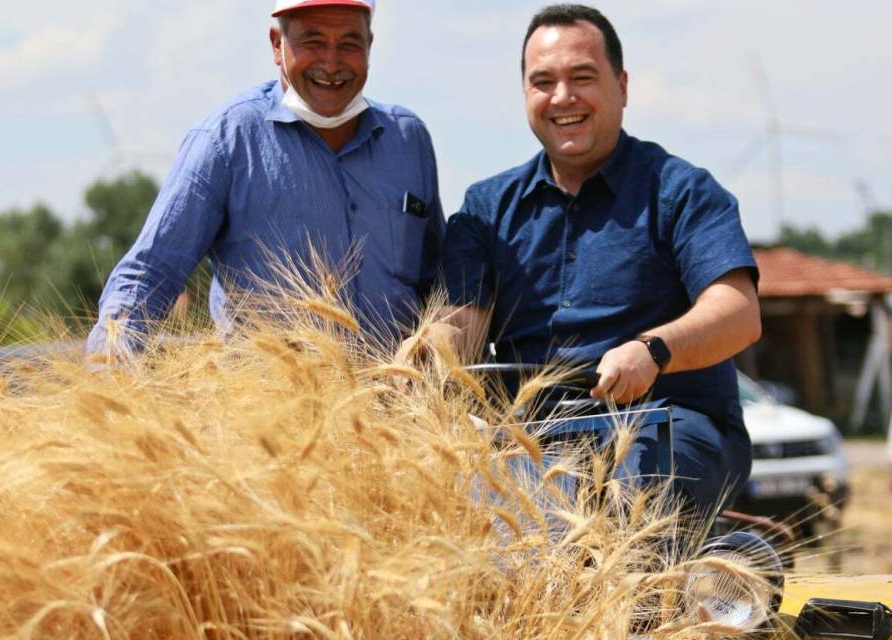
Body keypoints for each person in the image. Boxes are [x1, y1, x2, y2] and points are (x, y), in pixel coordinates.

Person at [425, 4, 762, 518]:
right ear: (525, 94)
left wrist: (654, 351)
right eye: (543, 82)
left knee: (625, 503)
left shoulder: (682, 191)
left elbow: (737, 311)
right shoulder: (485, 208)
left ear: (622, 87)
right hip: (527, 439)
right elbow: (461, 326)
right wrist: (429, 353)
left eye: (582, 77)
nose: (563, 97)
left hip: (667, 424)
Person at [87, 0, 444, 356]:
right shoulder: (227, 140)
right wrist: (112, 366)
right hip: (269, 405)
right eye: (313, 41)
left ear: (369, 45)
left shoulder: (408, 140)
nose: (332, 62)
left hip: (396, 406)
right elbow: (150, 273)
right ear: (277, 44)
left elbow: (442, 283)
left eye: (349, 43)